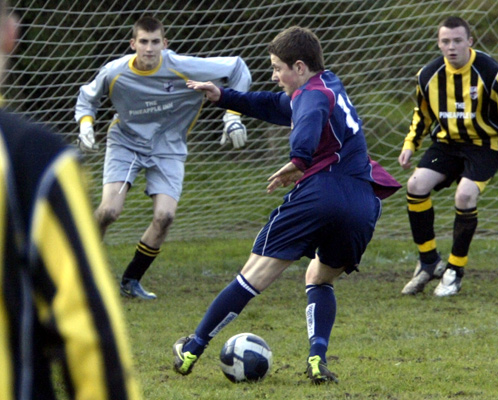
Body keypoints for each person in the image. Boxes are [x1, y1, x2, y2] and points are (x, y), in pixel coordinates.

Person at [171, 26, 401, 384]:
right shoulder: (328, 84)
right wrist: (223, 96)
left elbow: (307, 118)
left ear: (299, 67)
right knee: (319, 277)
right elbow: (275, 105)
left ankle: (191, 349)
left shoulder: (311, 96)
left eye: (277, 68)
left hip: (321, 194)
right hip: (361, 201)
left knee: (254, 274)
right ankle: (317, 359)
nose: (274, 76)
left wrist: (298, 160)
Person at [0, 4, 141, 399]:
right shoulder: (32, 159)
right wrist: (86, 123)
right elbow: (89, 332)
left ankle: (134, 279)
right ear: (11, 34)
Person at [74, 16, 252, 300]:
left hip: (168, 147)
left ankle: (131, 281)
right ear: (133, 44)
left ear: (164, 44)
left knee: (165, 216)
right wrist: (86, 125)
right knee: (109, 212)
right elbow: (87, 97)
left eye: (155, 42)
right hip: (126, 144)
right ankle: (78, 271)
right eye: (143, 42)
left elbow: (238, 68)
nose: (149, 48)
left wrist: (233, 116)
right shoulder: (115, 71)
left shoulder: (182, 66)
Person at [398, 16, 498, 297]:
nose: (451, 47)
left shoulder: (491, 73)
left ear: (470, 41)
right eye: (445, 41)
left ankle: (454, 270)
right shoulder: (428, 75)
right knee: (416, 185)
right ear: (438, 43)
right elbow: (422, 114)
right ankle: (428, 261)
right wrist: (410, 144)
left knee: (465, 196)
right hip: (447, 144)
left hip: (485, 145)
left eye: (457, 41)